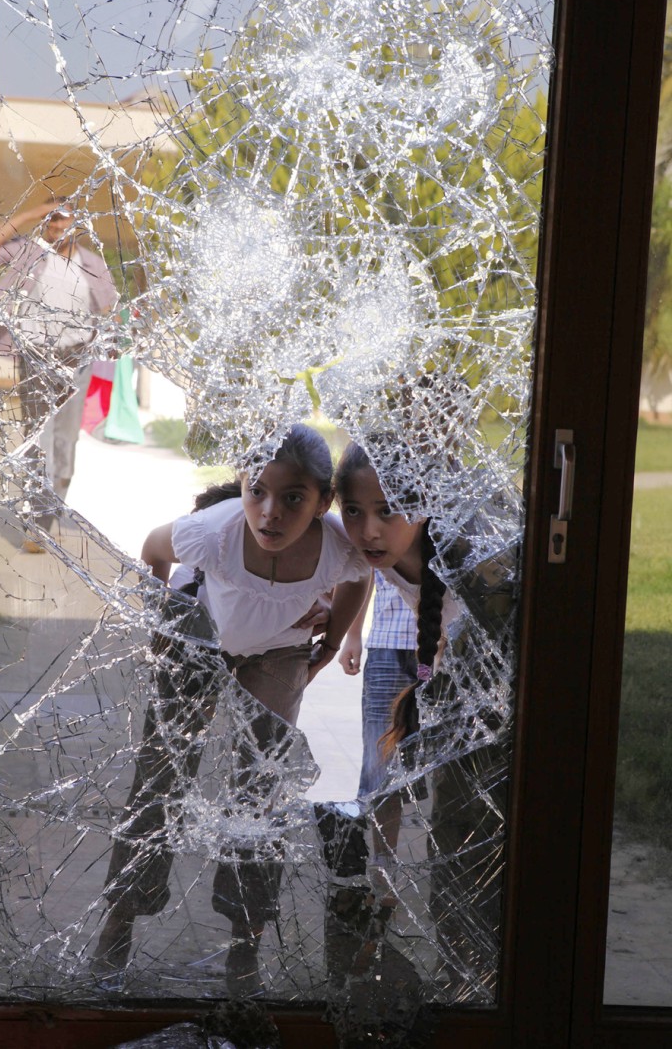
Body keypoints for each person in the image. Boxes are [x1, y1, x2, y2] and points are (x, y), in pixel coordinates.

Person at [93, 424, 371, 993]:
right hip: (200, 640)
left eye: (292, 498)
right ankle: (119, 919)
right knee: (160, 779)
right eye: (257, 492)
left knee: (261, 788)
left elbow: (359, 577)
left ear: (322, 503)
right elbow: (151, 548)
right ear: (243, 486)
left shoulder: (337, 546)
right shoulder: (213, 535)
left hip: (280, 653)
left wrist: (330, 642)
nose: (270, 513)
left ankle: (246, 943)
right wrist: (162, 622)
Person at [334, 439, 517, 1001]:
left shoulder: (478, 566)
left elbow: (501, 643)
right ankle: (465, 977)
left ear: (425, 507)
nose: (369, 530)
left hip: (505, 700)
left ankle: (481, 983)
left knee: (476, 834)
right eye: (355, 513)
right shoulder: (389, 559)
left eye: (388, 512)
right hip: (473, 680)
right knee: (456, 835)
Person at [0, 197, 118, 546]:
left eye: (64, 220)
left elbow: (109, 312)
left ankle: (52, 506)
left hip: (77, 358)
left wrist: (114, 350)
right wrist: (32, 212)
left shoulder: (91, 263)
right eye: (52, 220)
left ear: (79, 225)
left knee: (65, 440)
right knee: (37, 437)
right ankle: (39, 519)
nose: (57, 226)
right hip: (36, 356)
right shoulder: (29, 253)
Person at [339, 570, 420, 807]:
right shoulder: (384, 533)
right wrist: (353, 635)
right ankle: (380, 844)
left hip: (442, 648)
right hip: (388, 641)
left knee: (437, 760)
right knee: (379, 763)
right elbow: (363, 571)